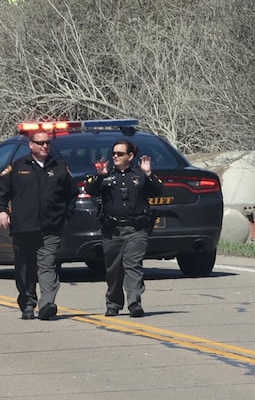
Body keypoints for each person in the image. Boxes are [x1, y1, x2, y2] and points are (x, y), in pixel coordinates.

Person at [0, 130, 76, 320]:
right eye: (40, 143)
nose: (45, 146)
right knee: (24, 268)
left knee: (47, 265)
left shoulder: (59, 167)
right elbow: (2, 192)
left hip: (51, 228)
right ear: (31, 145)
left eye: (47, 143)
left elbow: (72, 195)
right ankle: (27, 303)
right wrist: (2, 211)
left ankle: (47, 303)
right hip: (23, 228)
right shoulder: (17, 167)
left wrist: (65, 216)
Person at [86, 139, 163, 317]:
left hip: (136, 229)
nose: (115, 156)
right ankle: (113, 303)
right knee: (114, 270)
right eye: (114, 153)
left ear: (130, 156)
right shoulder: (107, 174)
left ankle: (134, 302)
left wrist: (149, 173)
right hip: (112, 230)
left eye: (120, 154)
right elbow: (91, 190)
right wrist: (100, 175)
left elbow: (158, 190)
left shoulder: (140, 174)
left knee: (132, 265)